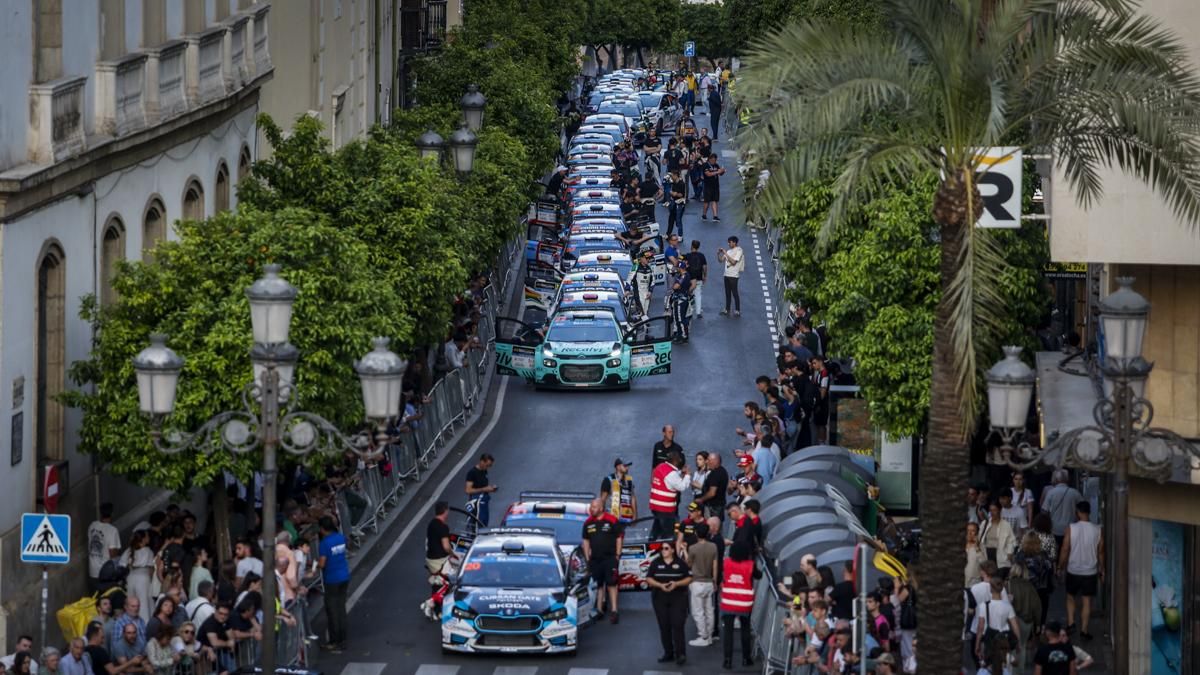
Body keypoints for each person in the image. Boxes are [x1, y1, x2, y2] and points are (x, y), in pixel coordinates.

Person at [1059, 501, 1102, 641]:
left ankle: (1071, 623)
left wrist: (1060, 566)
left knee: (1070, 597)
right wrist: (1103, 569)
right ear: (1089, 512)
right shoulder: (1098, 529)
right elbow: (1100, 552)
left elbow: (1065, 549)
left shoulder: (1071, 528)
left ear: (1077, 512)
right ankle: (1084, 630)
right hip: (1090, 571)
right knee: (1087, 601)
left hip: (1073, 569)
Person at [646, 538, 692, 666]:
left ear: (672, 550)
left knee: (678, 625)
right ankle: (668, 653)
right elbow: (649, 578)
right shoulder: (655, 563)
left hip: (678, 598)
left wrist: (676, 583)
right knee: (664, 626)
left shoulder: (680, 563)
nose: (663, 551)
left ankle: (681, 654)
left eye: (666, 548)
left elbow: (689, 578)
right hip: (660, 599)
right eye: (662, 549)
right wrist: (660, 585)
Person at [581, 498, 624, 623]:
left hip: (610, 558)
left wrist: (618, 554)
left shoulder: (611, 520)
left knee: (611, 583)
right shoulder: (588, 523)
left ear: (601, 508)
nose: (591, 509)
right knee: (598, 585)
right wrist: (587, 558)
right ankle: (599, 610)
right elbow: (586, 540)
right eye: (591, 507)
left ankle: (614, 611)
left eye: (594, 507)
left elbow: (619, 537)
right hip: (595, 560)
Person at [719, 542, 759, 669]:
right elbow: (759, 575)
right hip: (744, 602)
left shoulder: (726, 562)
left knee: (728, 632)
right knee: (745, 630)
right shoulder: (750, 565)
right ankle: (746, 658)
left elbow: (720, 573)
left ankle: (727, 660)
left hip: (728, 600)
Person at [317, 516, 350, 653]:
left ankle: (334, 641)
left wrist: (314, 565)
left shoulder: (324, 543)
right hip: (344, 577)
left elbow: (322, 563)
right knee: (341, 608)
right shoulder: (341, 537)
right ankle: (343, 638)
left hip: (332, 580)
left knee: (332, 611)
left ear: (323, 529)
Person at [975, 576, 1020, 667]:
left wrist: (977, 644)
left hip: (990, 640)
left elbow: (980, 627)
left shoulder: (984, 606)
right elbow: (1015, 626)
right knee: (1004, 665)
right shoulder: (1007, 606)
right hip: (1004, 641)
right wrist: (1018, 643)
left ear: (991, 589)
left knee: (989, 665)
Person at [686, 522, 718, 647]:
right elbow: (715, 565)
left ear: (696, 534)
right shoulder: (713, 546)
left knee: (698, 611)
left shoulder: (693, 548)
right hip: (709, 581)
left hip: (697, 582)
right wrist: (714, 580)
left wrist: (684, 551)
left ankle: (703, 635)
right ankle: (709, 635)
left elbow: (688, 564)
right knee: (709, 610)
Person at [650, 450, 690, 540]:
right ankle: (665, 548)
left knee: (656, 530)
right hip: (665, 509)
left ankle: (651, 546)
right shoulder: (671, 474)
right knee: (668, 534)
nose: (681, 461)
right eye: (679, 460)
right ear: (675, 461)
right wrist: (687, 475)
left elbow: (669, 478)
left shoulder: (660, 467)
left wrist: (680, 473)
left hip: (655, 506)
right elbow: (681, 486)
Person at [1040, 470, 1084, 548]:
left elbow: (1044, 511)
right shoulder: (1075, 493)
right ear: (1067, 479)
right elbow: (1083, 508)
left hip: (1055, 529)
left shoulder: (1051, 493)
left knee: (1055, 551)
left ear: (1056, 480)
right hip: (1071, 529)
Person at [425, 501, 457, 594]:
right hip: (439, 560)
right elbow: (446, 546)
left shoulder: (431, 523)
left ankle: (435, 601)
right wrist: (453, 554)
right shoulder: (443, 527)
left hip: (430, 558)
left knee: (437, 583)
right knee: (449, 580)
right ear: (445, 511)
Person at [88, 503, 122, 591]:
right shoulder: (112, 530)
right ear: (112, 513)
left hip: (92, 571)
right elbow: (113, 555)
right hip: (106, 573)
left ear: (100, 513)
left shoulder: (92, 525)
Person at [980, 500, 1018, 571]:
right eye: (991, 510)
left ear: (1000, 510)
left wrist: (1009, 554)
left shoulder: (1006, 525)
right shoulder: (985, 523)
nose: (992, 513)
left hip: (1001, 556)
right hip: (987, 554)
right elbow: (979, 540)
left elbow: (1012, 541)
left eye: (994, 510)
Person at [464, 453, 497, 528]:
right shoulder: (472, 473)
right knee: (478, 523)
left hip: (484, 502)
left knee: (484, 523)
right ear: (482, 461)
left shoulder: (484, 471)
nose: (488, 467)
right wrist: (484, 489)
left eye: (490, 466)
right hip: (476, 503)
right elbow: (468, 490)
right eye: (487, 465)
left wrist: (490, 488)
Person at [695, 452, 729, 519]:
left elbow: (712, 493)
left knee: (712, 526)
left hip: (713, 507)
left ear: (715, 461)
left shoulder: (715, 474)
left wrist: (701, 499)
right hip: (719, 505)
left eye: (709, 460)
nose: (707, 462)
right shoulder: (723, 470)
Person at [717, 237, 744, 317]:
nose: (728, 244)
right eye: (728, 242)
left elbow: (733, 262)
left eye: (730, 242)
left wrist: (725, 253)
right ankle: (727, 309)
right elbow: (721, 261)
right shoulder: (728, 251)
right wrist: (718, 254)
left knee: (735, 293)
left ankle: (737, 310)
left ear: (734, 243)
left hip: (734, 275)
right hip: (726, 274)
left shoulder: (739, 250)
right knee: (727, 293)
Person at [701, 153, 726, 221]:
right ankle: (704, 214)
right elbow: (708, 174)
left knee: (715, 200)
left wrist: (722, 171)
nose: (714, 161)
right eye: (713, 160)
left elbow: (720, 174)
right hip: (708, 186)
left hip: (715, 185)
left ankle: (715, 216)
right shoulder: (705, 165)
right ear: (710, 159)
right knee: (707, 201)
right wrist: (717, 172)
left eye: (715, 160)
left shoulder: (716, 165)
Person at [966, 521, 986, 586]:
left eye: (973, 531)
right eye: (968, 530)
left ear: (977, 533)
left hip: (974, 582)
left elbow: (984, 564)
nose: (969, 533)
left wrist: (977, 548)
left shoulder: (981, 546)